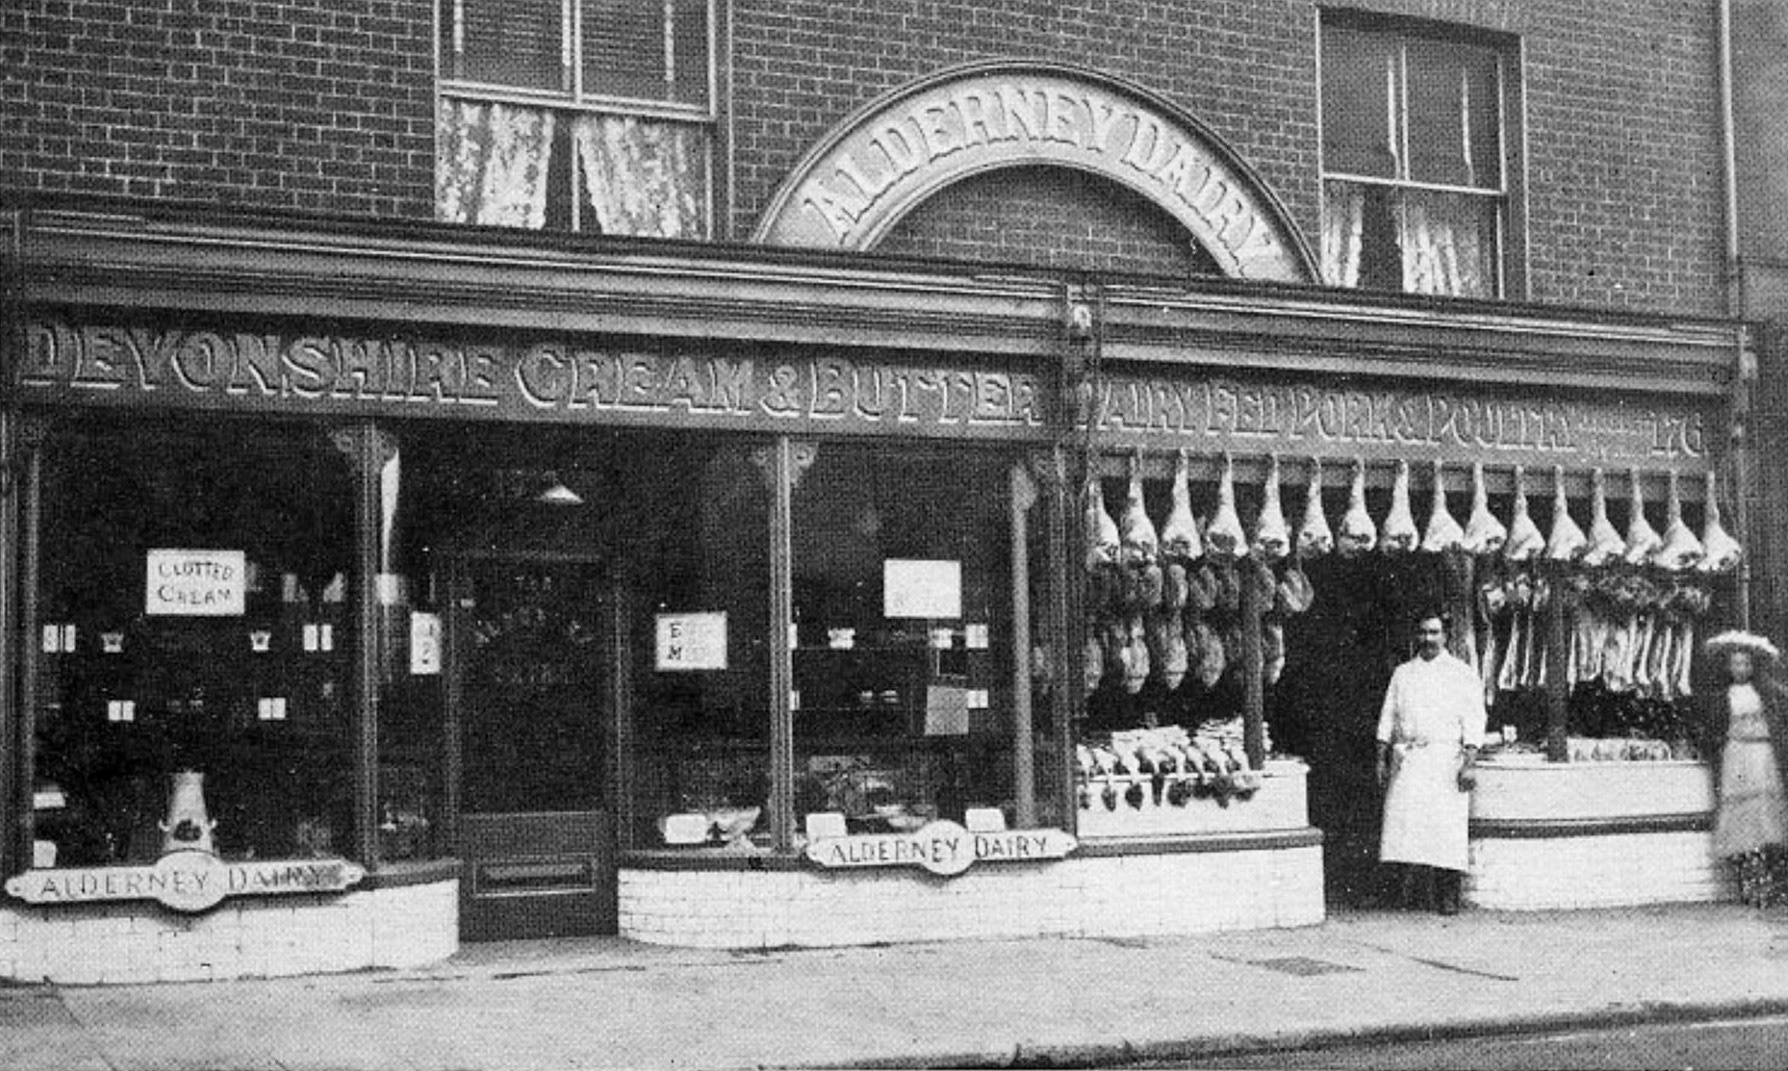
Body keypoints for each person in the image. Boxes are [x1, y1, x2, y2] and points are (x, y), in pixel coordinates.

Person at [1376, 611, 1486, 915]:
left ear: (1445, 636)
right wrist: (1382, 758)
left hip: (1444, 759)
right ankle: (1405, 895)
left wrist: (1470, 762)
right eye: (1423, 632)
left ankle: (1447, 894)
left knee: (1444, 829)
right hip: (1410, 759)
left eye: (1434, 632)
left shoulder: (1461, 673)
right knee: (1406, 826)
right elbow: (1387, 717)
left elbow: (1474, 721)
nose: (1428, 639)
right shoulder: (1403, 673)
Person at [1702, 630, 1788, 909]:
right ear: (1729, 666)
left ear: (1754, 666)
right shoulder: (1721, 696)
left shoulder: (1770, 693)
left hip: (1762, 755)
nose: (1741, 669)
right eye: (1736, 664)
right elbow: (1712, 731)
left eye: (1746, 664)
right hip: (1736, 756)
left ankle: (1766, 881)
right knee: (1742, 818)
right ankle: (1748, 882)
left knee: (1765, 816)